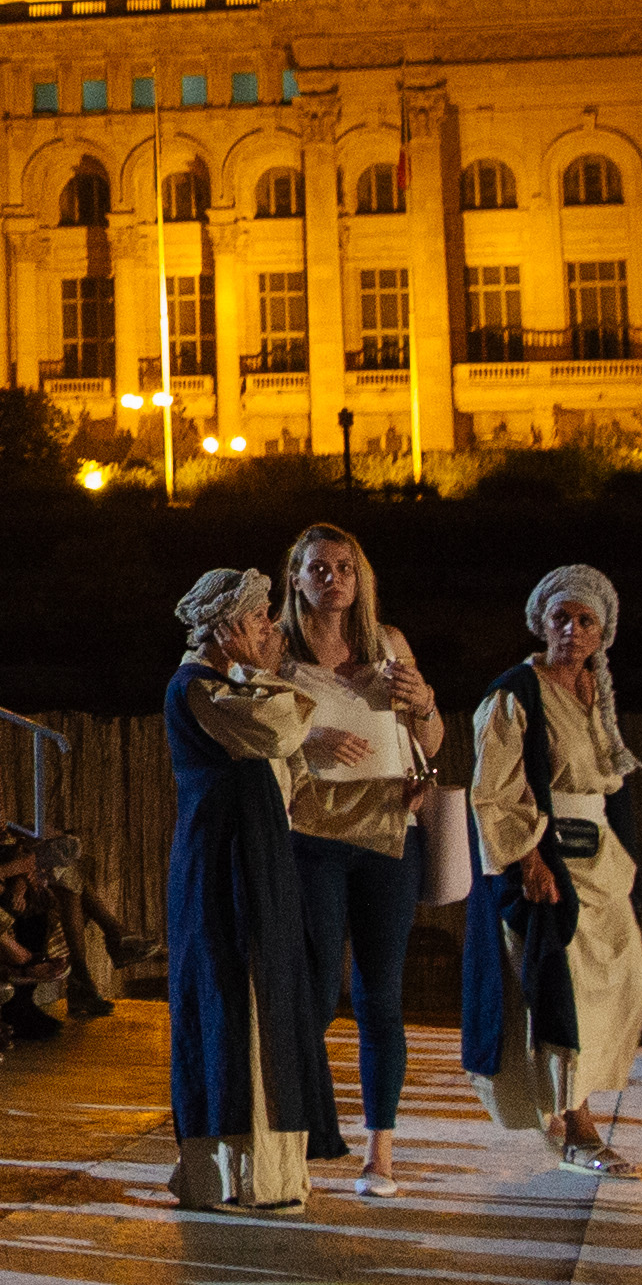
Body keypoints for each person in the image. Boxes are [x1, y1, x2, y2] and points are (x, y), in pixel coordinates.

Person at [158, 563, 344, 1214]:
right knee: (232, 1003)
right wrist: (264, 673)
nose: (272, 630)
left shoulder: (233, 685)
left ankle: (274, 1173)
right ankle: (230, 1176)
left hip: (259, 861)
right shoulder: (200, 688)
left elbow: (286, 758)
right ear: (232, 625)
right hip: (224, 870)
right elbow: (279, 728)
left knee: (268, 1002)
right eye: (262, 619)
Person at [276, 519, 444, 1201]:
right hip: (311, 832)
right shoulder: (276, 651)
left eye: (344, 568)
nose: (333, 579)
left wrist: (425, 702)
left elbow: (430, 741)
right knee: (313, 995)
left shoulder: (388, 644)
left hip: (386, 833)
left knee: (382, 994)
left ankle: (382, 1154)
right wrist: (305, 740)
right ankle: (300, 1139)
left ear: (360, 577)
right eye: (318, 568)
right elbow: (246, 731)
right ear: (295, 577)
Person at [465, 561, 642, 1175]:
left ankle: (576, 1107)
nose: (572, 630)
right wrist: (528, 859)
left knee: (620, 985)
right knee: (561, 993)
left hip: (601, 861)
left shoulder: (598, 693)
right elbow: (494, 789)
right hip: (551, 857)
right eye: (561, 618)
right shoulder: (516, 693)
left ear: (603, 632)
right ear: (541, 624)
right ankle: (574, 1122)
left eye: (585, 620)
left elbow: (609, 784)